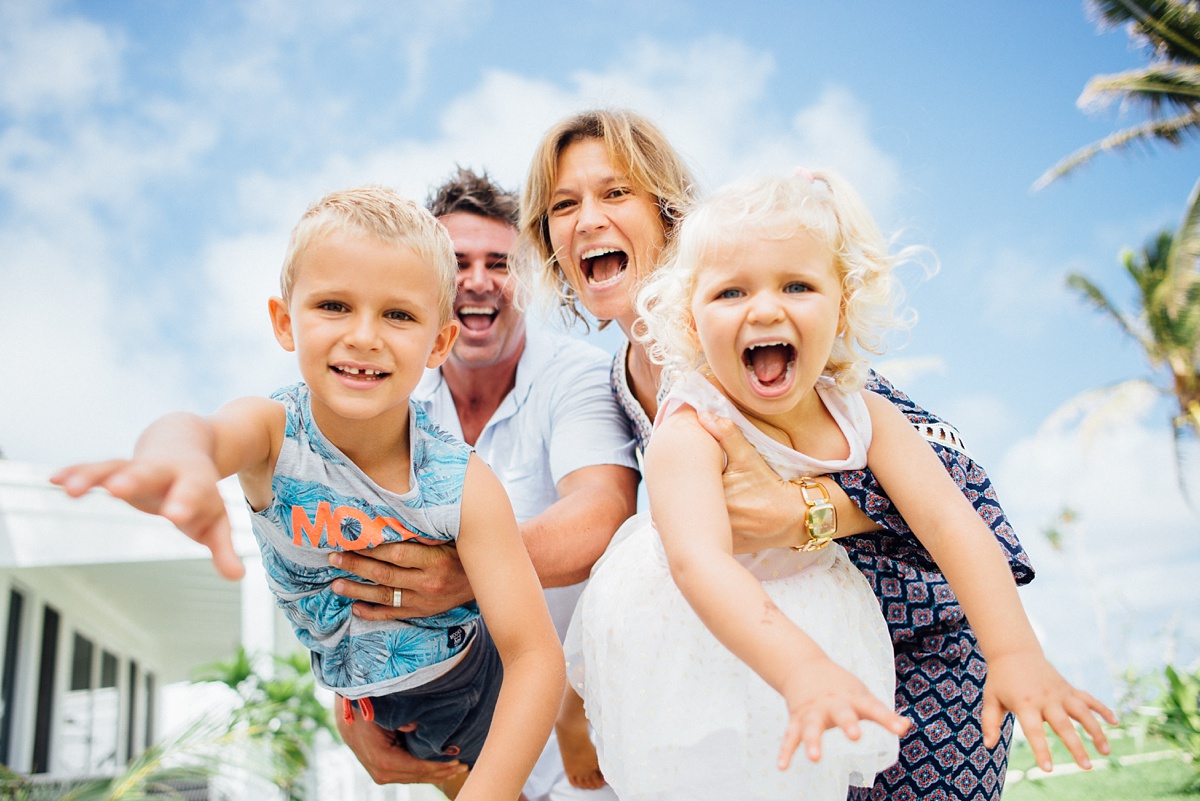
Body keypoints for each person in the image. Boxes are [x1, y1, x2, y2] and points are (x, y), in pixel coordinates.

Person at [517, 108, 1116, 799]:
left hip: (915, 639)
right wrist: (577, 698)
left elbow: (957, 494)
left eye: (615, 192)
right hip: (777, 661)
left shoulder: (820, 375)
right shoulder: (626, 383)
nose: (588, 218)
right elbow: (658, 551)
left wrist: (804, 514)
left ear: (669, 212)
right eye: (564, 206)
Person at [51, 185, 566, 801]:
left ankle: (576, 720)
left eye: (398, 315)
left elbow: (535, 656)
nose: (364, 336)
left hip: (464, 686)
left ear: (438, 344)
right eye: (334, 306)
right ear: (284, 322)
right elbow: (203, 432)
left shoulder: (461, 482)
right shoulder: (272, 433)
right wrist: (175, 459)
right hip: (365, 692)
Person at [326, 168, 639, 799]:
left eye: (501, 262)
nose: (478, 279)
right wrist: (350, 706)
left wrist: (472, 567)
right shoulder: (387, 394)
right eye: (457, 262)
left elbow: (602, 512)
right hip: (455, 739)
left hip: (597, 742)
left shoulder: (574, 376)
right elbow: (344, 560)